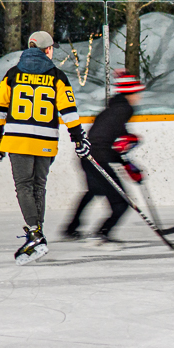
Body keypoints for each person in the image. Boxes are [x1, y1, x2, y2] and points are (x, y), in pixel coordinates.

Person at [0, 30, 89, 263]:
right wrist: (78, 138)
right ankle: (38, 233)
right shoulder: (57, 76)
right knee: (38, 186)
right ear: (48, 50)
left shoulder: (13, 74)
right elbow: (68, 111)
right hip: (45, 140)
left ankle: (35, 234)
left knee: (23, 186)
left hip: (17, 140)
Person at [65, 68, 144, 245]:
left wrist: (127, 162)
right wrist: (127, 147)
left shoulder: (115, 108)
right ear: (130, 92)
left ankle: (71, 228)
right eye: (137, 91)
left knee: (95, 190)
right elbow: (112, 143)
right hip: (96, 159)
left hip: (89, 157)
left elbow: (111, 140)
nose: (140, 95)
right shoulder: (124, 109)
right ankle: (102, 233)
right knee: (122, 203)